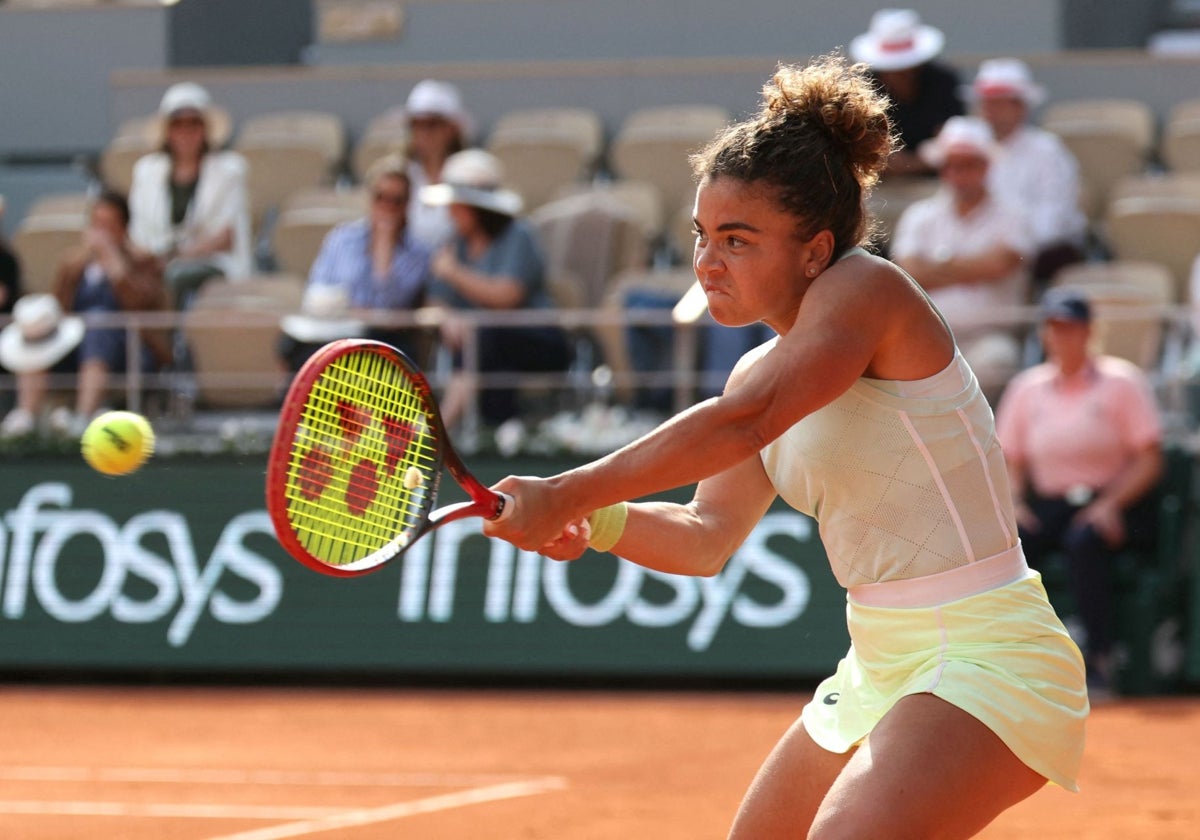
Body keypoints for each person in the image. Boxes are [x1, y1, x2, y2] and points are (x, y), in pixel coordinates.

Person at [482, 56, 1087, 838]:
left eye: (737, 239)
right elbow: (706, 540)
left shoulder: (869, 290)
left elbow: (747, 421)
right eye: (702, 236)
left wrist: (569, 491)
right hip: (878, 661)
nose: (708, 262)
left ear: (815, 248)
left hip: (987, 655)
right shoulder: (756, 370)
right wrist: (595, 524)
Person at [995, 289, 1163, 697]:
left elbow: (1149, 458)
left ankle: (1100, 661)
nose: (1060, 336)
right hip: (1050, 504)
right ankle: (1011, 663)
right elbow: (1010, 458)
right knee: (1011, 548)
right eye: (1052, 327)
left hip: (1112, 502)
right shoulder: (1025, 388)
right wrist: (1016, 503)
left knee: (1084, 542)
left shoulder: (1122, 381)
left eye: (1069, 327)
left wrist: (1109, 505)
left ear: (1088, 332)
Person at [420, 149, 571, 431]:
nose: (450, 212)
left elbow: (506, 296)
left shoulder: (519, 235)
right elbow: (434, 300)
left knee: (481, 335)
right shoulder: (455, 242)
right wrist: (447, 317)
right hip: (485, 350)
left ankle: (439, 428)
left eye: (457, 204)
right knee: (481, 345)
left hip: (539, 342)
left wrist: (454, 273)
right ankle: (492, 431)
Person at [0, 191, 171, 439]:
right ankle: (25, 416)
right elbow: (58, 308)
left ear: (123, 228)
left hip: (129, 350)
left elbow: (141, 305)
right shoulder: (73, 264)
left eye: (108, 225)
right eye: (96, 224)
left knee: (98, 323)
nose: (100, 232)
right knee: (38, 329)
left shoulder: (144, 261)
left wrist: (114, 264)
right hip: (76, 346)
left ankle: (82, 416)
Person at [891, 115, 1035, 403]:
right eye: (951, 166)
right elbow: (908, 273)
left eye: (968, 165)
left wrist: (938, 269)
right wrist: (973, 267)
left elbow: (1001, 264)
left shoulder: (1014, 215)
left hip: (990, 336)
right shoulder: (920, 216)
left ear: (985, 166)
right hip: (930, 338)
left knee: (996, 362)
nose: (959, 174)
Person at [277, 154, 432, 374]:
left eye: (396, 200)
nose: (387, 207)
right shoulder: (341, 238)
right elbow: (318, 289)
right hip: (335, 329)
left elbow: (389, 303)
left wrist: (384, 248)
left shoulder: (418, 252)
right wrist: (343, 309)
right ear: (370, 198)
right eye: (381, 197)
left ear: (408, 204)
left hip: (382, 338)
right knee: (290, 346)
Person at [128, 81, 253, 308]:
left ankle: (173, 342)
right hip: (156, 264)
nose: (186, 132)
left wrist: (176, 258)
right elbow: (139, 235)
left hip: (212, 263)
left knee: (177, 276)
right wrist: (156, 260)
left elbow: (225, 237)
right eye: (178, 124)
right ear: (167, 131)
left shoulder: (229, 170)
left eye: (194, 123)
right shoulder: (146, 171)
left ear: (206, 129)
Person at [968, 58, 1088, 292]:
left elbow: (1053, 220)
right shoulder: (971, 148)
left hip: (1036, 253)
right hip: (981, 252)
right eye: (986, 104)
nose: (990, 112)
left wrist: (1006, 247)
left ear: (1020, 107)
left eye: (998, 104)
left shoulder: (1047, 150)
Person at [849, 8, 963, 178]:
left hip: (938, 180)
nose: (900, 73)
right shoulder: (862, 87)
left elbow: (955, 136)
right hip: (877, 184)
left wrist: (916, 162)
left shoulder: (943, 82)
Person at [402, 79, 474, 250]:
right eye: (416, 125)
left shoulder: (471, 175)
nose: (423, 134)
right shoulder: (402, 174)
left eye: (432, 125)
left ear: (452, 128)